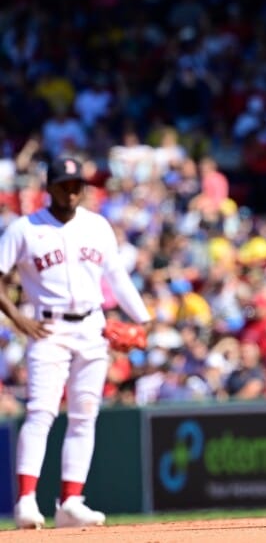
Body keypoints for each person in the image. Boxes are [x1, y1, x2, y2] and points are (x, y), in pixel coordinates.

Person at [0, 157, 152, 529]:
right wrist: (18, 319)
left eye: (77, 185)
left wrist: (146, 319)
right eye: (64, 184)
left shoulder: (97, 226)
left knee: (85, 416)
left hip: (92, 328)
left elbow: (117, 277)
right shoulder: (25, 228)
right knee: (41, 413)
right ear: (48, 188)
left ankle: (71, 500)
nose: (71, 191)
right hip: (49, 330)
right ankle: (26, 501)